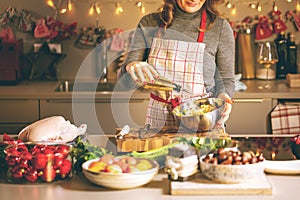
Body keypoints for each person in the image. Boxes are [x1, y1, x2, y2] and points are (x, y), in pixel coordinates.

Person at [118, 0, 235, 131]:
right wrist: (131, 67)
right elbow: (125, 84)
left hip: (202, 121)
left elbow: (225, 80)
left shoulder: (220, 27)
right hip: (159, 124)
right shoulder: (149, 23)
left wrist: (223, 96)